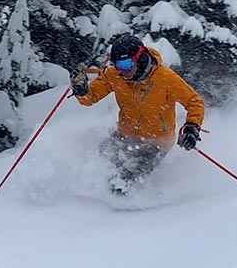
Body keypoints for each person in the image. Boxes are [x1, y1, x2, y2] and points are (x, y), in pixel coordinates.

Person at [70, 34, 205, 194]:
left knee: (121, 183)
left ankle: (125, 212)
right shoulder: (115, 75)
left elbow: (194, 101)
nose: (121, 70)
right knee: (94, 165)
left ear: (139, 58)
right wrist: (81, 90)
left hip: (155, 143)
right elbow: (90, 98)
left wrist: (191, 127)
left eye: (125, 64)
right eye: (116, 64)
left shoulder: (165, 78)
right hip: (124, 134)